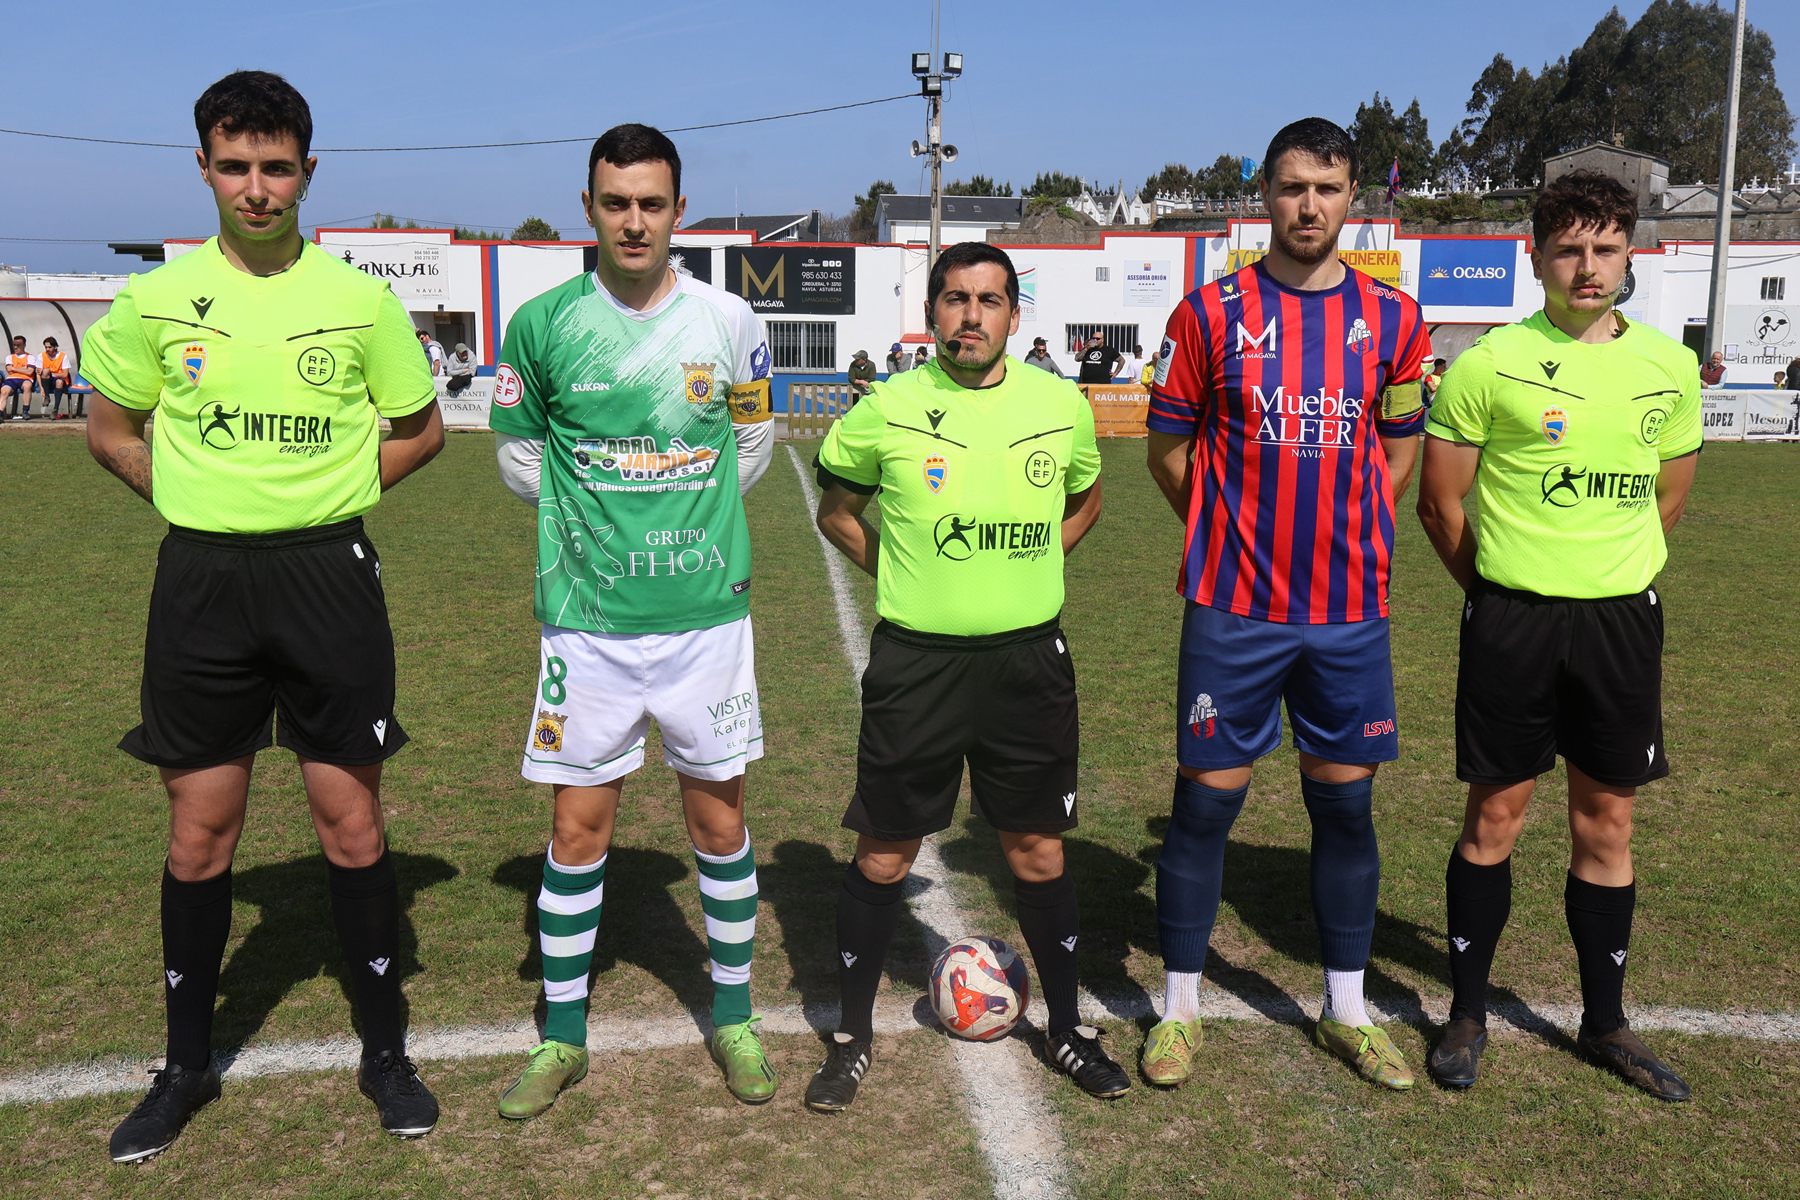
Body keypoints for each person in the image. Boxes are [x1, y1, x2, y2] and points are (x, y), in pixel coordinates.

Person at [81, 70, 446, 1163]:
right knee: (200, 831)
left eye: (276, 168)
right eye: (235, 166)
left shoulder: (359, 300)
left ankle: (386, 1055)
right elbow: (109, 427)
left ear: (307, 172)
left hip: (327, 577)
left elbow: (420, 429)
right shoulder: (154, 301)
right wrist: (189, 498)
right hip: (202, 582)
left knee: (351, 822)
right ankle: (185, 1067)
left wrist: (325, 500)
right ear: (203, 168)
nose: (255, 188)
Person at [487, 123, 778, 1120]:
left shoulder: (729, 319)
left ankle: (734, 1016)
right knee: (577, 828)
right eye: (616, 203)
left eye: (652, 203)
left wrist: (679, 525)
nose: (635, 221)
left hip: (705, 617)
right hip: (587, 622)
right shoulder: (542, 323)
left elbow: (752, 440)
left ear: (679, 211)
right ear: (589, 209)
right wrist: (597, 528)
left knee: (719, 820)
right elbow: (518, 458)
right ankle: (562, 1038)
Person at [1143, 117, 1430, 1091]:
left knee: (1345, 810)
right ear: (1265, 194)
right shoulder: (1208, 313)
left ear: (1354, 198)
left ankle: (1347, 1011)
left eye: (1328, 188)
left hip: (1348, 613)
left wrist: (1351, 531)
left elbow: (1397, 452)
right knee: (1202, 810)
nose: (1310, 206)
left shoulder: (1395, 321)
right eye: (1294, 187)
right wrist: (1231, 532)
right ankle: (1180, 1010)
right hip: (1234, 610)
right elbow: (1168, 453)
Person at [803, 239, 1118, 1114]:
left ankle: (1067, 1029)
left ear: (1014, 315)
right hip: (919, 666)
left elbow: (1087, 498)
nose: (971, 316)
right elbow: (837, 512)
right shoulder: (886, 408)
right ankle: (850, 1040)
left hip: (1028, 664)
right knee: (884, 852)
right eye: (955, 299)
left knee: (1037, 849)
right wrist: (904, 577)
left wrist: (1037, 564)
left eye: (988, 300)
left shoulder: (1061, 406)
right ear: (931, 312)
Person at [1416, 169, 1701, 1100]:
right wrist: (1503, 592)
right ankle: (1466, 1015)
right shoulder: (1487, 364)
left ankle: (1606, 1022)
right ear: (1535, 256)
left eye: (1605, 249)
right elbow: (1440, 504)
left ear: (1629, 255)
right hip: (1514, 620)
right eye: (1569, 249)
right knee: (1494, 817)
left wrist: (1602, 577)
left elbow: (1667, 501)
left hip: (1620, 623)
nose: (1588, 267)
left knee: (1607, 822)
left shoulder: (1670, 367)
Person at [3, 335, 37, 419]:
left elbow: (30, 372)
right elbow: (9, 369)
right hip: (12, 379)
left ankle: (25, 411)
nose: (15, 347)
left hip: (26, 379)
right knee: (4, 391)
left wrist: (14, 368)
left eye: (18, 345)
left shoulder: (30, 357)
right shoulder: (9, 357)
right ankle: (1, 413)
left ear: (24, 345)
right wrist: (24, 368)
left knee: (27, 386)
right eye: (14, 345)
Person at [40, 337, 74, 418]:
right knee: (45, 371)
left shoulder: (63, 356)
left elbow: (65, 374)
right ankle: (47, 397)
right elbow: (38, 374)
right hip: (47, 380)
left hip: (60, 380)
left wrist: (52, 374)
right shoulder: (41, 356)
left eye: (49, 347)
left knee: (59, 382)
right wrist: (41, 388)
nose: (47, 349)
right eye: (46, 347)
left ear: (55, 347)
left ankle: (55, 409)